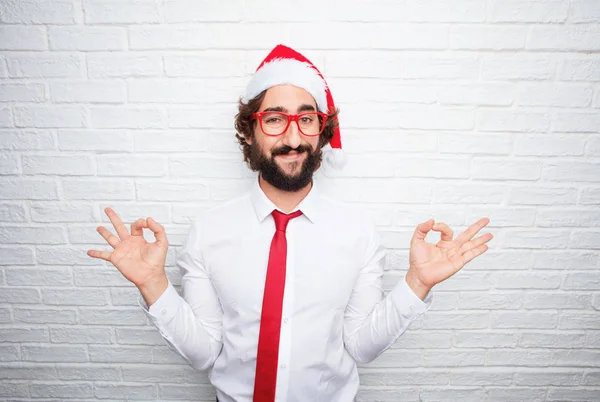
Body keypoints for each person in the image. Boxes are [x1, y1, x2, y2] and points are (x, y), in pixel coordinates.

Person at [87, 44, 493, 402]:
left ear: (321, 131)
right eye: (275, 119)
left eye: (307, 119)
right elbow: (205, 353)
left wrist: (417, 284)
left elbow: (360, 347)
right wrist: (153, 285)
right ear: (249, 131)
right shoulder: (209, 232)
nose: (294, 137)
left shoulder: (357, 233)